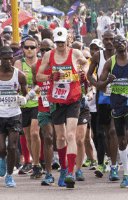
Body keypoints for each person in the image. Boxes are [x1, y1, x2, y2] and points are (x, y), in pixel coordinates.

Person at [37, 27, 88, 189]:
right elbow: (38, 76)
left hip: (73, 98)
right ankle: (64, 169)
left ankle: (71, 172)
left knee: (71, 135)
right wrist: (50, 76)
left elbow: (86, 63)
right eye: (57, 42)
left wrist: (83, 73)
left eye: (62, 42)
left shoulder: (75, 54)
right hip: (57, 100)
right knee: (60, 137)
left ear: (67, 41)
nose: (60, 45)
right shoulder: (48, 55)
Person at [97, 34, 128, 188]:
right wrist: (108, 81)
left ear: (126, 44)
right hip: (116, 104)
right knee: (122, 141)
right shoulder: (109, 63)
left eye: (122, 42)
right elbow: (100, 85)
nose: (119, 44)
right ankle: (125, 173)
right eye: (116, 42)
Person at [87, 31, 119, 181]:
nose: (109, 41)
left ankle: (114, 166)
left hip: (118, 97)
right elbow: (89, 74)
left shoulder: (121, 55)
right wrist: (97, 85)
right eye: (106, 39)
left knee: (113, 131)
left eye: (111, 39)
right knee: (104, 132)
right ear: (102, 40)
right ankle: (107, 159)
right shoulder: (97, 56)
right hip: (103, 98)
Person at [0, 46, 28, 187]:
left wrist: (24, 98)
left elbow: (25, 93)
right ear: (0, 59)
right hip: (0, 115)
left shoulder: (20, 75)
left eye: (10, 58)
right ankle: (2, 159)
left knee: (12, 146)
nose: (8, 61)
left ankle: (9, 176)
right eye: (5, 58)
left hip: (14, 115)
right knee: (1, 148)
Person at [14, 37, 41, 177]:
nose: (29, 50)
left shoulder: (41, 62)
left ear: (37, 48)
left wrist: (31, 92)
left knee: (35, 133)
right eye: (26, 47)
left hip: (39, 102)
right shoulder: (19, 62)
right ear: (23, 49)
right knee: (28, 136)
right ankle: (33, 162)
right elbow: (16, 81)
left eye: (32, 47)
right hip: (24, 103)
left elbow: (41, 82)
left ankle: (37, 165)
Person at [35, 39, 56, 186]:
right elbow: (36, 85)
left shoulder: (59, 63)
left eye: (47, 49)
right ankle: (48, 173)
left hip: (60, 106)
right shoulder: (36, 66)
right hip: (43, 107)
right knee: (48, 137)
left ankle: (66, 168)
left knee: (61, 139)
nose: (44, 53)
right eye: (42, 50)